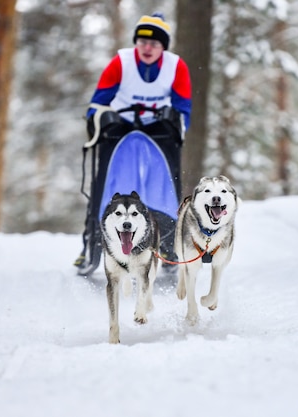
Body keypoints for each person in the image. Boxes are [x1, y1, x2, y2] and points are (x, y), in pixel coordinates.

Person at [76, 12, 192, 274]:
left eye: (154, 44)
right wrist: (96, 121)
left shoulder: (176, 66)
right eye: (142, 42)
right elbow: (99, 101)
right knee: (106, 183)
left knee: (165, 184)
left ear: (163, 47)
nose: (148, 48)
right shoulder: (121, 62)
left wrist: (179, 126)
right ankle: (92, 242)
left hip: (159, 130)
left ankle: (169, 242)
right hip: (121, 128)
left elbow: (184, 107)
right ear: (136, 43)